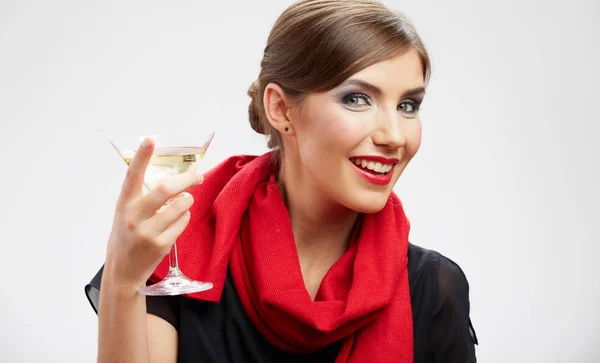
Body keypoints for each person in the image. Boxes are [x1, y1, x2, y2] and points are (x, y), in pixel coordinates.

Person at [85, 0, 479, 362]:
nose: (395, 135)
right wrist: (124, 278)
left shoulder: (432, 287)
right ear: (280, 108)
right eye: (357, 99)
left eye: (408, 105)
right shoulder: (184, 253)